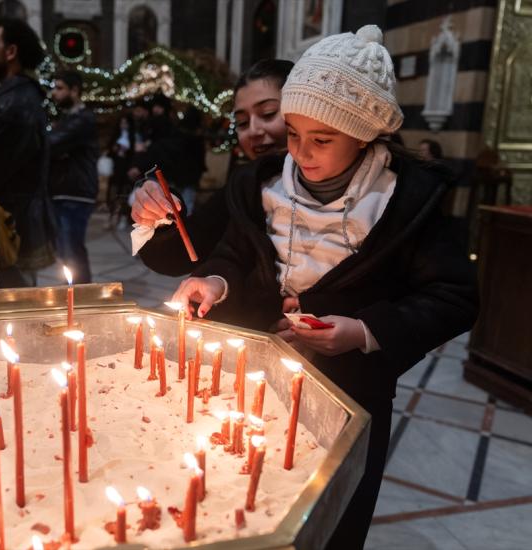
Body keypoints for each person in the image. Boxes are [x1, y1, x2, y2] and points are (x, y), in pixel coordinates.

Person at [170, 26, 478, 549]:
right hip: (257, 384)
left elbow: (453, 298)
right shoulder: (262, 184)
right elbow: (238, 253)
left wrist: (363, 330)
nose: (301, 152)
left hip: (349, 393)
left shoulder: (410, 203)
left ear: (363, 134)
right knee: (248, 513)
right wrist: (215, 280)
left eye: (322, 140)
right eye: (293, 133)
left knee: (330, 521)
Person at [131, 59, 294, 277]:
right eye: (242, 123)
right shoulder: (245, 186)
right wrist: (160, 217)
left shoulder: (350, 190)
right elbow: (179, 255)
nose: (254, 131)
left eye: (268, 113)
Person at [0, 16, 56, 287]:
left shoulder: (15, 103)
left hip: (12, 227)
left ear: (11, 52)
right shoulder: (21, 96)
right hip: (19, 223)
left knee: (12, 308)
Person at [48, 70, 100, 284]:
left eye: (59, 88)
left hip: (75, 192)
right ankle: (73, 294)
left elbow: (51, 143)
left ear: (75, 90)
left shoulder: (83, 119)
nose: (54, 93)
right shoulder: (67, 118)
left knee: (71, 249)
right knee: (64, 250)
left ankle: (81, 297)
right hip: (63, 190)